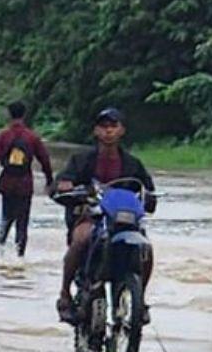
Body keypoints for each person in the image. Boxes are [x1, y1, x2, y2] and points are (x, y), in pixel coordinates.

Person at [53, 107, 156, 323]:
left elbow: (148, 191)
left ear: (122, 131)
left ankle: (141, 300)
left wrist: (149, 199)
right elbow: (59, 185)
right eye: (104, 126)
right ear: (96, 131)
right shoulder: (81, 161)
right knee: (81, 239)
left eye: (113, 126)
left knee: (146, 248)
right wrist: (65, 186)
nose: (108, 131)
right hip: (90, 217)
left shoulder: (133, 164)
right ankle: (64, 294)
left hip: (123, 222)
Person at [0, 101, 54, 259]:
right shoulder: (32, 137)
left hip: (7, 182)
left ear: (9, 114)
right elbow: (45, 161)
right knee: (22, 223)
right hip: (25, 183)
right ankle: (19, 257)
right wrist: (49, 181)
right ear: (24, 114)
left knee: (6, 218)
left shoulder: (3, 136)